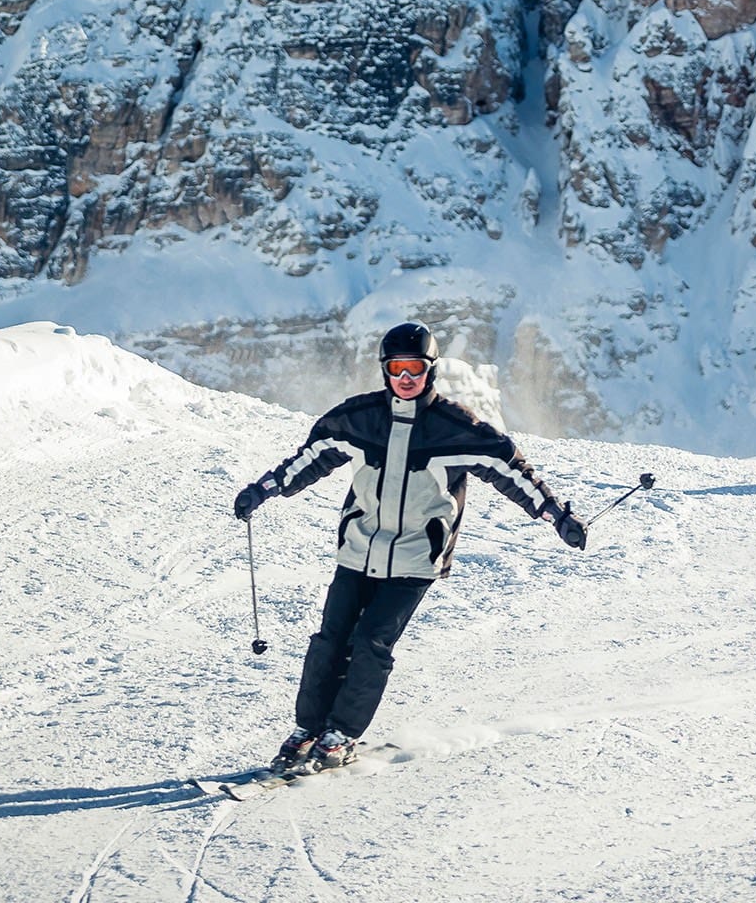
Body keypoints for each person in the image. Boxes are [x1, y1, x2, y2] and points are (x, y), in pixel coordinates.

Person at [231, 320, 588, 774]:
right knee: (328, 641)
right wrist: (261, 491)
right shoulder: (357, 420)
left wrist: (557, 516)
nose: (405, 378)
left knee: (371, 642)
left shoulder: (455, 429)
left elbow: (513, 471)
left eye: (414, 369)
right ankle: (308, 729)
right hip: (358, 550)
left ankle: (340, 735)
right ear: (385, 369)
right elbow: (307, 459)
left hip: (416, 559)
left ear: (430, 371)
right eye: (397, 368)